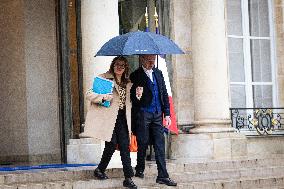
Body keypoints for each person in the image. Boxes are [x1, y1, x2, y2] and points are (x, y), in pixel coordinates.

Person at [83, 56, 137, 189]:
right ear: (113, 65)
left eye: (122, 66)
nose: (119, 67)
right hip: (109, 118)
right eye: (117, 65)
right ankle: (100, 169)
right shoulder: (104, 78)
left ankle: (128, 178)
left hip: (123, 118)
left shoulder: (128, 82)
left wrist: (138, 96)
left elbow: (130, 102)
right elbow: (88, 94)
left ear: (126, 68)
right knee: (111, 145)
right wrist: (102, 97)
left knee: (125, 146)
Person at [130, 54, 177, 186]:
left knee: (159, 144)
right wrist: (136, 95)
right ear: (142, 60)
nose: (152, 63)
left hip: (157, 113)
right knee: (143, 142)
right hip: (143, 113)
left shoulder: (158, 73)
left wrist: (167, 114)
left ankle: (163, 175)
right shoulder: (136, 75)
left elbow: (163, 93)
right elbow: (133, 99)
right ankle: (140, 168)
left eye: (153, 60)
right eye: (149, 61)